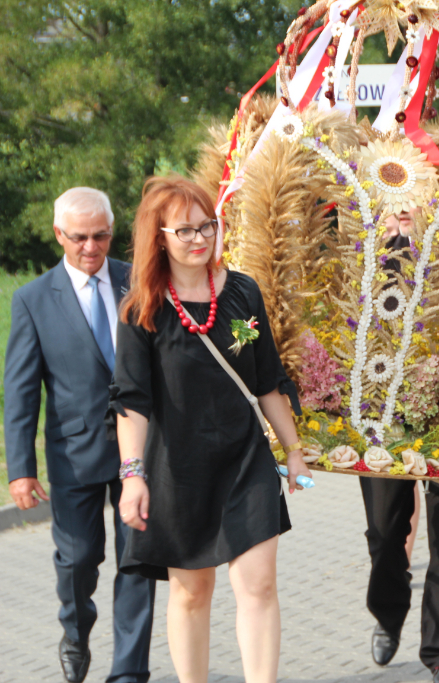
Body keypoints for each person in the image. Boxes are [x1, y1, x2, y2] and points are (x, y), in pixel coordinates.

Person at [111, 176, 310, 683]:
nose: (200, 238)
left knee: (259, 586)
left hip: (245, 461)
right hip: (178, 469)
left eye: (208, 226)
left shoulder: (242, 291)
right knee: (191, 592)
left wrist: (293, 449)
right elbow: (130, 401)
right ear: (159, 237)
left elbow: (265, 379)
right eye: (186, 230)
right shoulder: (142, 308)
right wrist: (133, 475)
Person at [4, 188, 156, 683]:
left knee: (138, 559)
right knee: (77, 561)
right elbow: (22, 392)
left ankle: (129, 671)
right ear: (58, 236)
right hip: (74, 454)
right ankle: (75, 629)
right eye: (80, 238)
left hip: (141, 452)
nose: (92, 247)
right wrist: (22, 470)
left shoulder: (139, 283)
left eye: (102, 236)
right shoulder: (32, 300)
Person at [361, 211, 439, 683]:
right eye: (397, 198)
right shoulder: (361, 253)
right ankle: (388, 611)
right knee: (386, 531)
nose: (406, 207)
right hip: (380, 411)